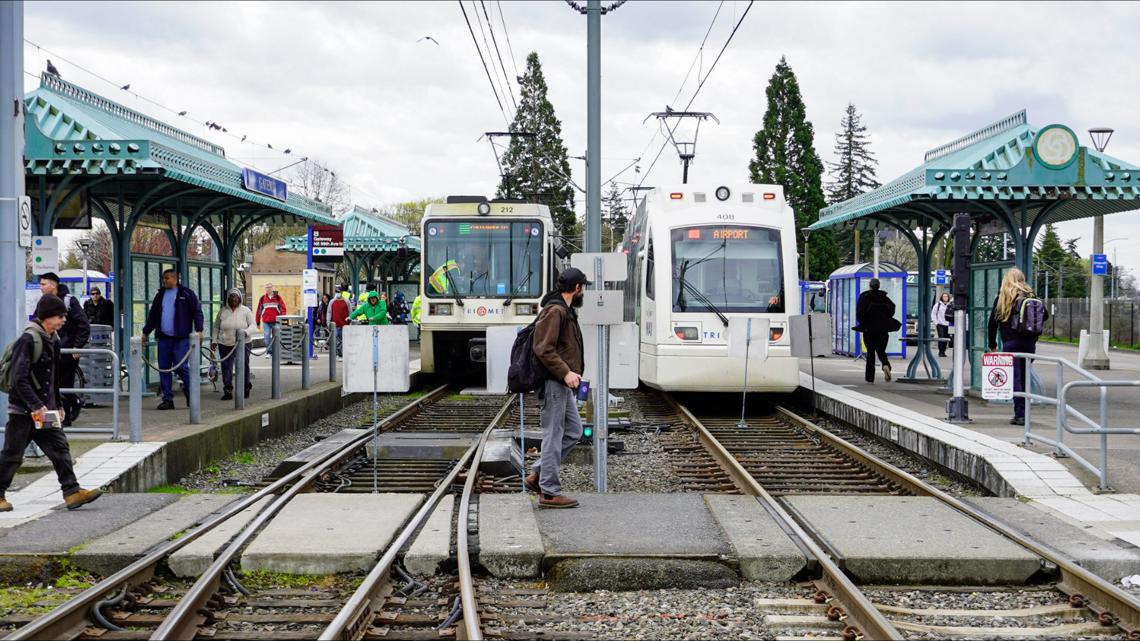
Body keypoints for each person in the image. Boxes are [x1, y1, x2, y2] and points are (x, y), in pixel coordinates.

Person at [0, 295, 103, 512]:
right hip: (23, 410)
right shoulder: (28, 340)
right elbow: (19, 378)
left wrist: (58, 406)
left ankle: (72, 492)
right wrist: (36, 405)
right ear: (46, 317)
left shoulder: (54, 339)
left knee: (60, 448)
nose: (63, 320)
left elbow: (53, 377)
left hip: (45, 411)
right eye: (59, 316)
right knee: (12, 455)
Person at [524, 267, 588, 510]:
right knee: (554, 435)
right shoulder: (555, 311)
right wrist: (566, 372)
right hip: (554, 383)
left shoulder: (565, 310)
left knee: (574, 430)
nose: (584, 293)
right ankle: (549, 492)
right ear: (577, 288)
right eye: (584, 288)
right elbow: (543, 348)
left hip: (562, 384)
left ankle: (538, 473)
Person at [988, 267, 1049, 426]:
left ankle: (1020, 414)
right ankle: (1025, 412)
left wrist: (992, 344)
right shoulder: (1031, 296)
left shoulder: (1003, 298)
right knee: (1024, 376)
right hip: (1030, 342)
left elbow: (992, 323)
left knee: (1015, 378)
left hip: (1010, 342)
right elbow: (1046, 315)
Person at [141, 269, 204, 410]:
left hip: (180, 338)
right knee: (164, 368)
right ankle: (167, 399)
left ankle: (190, 392)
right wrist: (145, 333)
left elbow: (197, 312)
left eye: (167, 278)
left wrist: (199, 329)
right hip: (164, 338)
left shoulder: (186, 294)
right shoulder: (160, 295)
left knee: (181, 366)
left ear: (175, 278)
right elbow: (152, 316)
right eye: (163, 278)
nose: (164, 280)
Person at [39, 272, 90, 426]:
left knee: (65, 383)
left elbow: (83, 324)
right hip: (50, 349)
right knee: (52, 383)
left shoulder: (69, 301)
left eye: (43, 284)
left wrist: (77, 346)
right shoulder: (43, 302)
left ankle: (66, 417)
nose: (41, 287)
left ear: (53, 285)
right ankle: (60, 414)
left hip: (67, 350)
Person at [212, 288, 257, 401]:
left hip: (243, 343)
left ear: (239, 298)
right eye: (231, 296)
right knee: (226, 367)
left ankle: (246, 387)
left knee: (243, 365)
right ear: (228, 298)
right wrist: (214, 340)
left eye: (235, 297)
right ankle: (228, 390)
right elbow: (216, 327)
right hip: (225, 343)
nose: (233, 299)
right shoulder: (223, 311)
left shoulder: (245, 310)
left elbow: (253, 325)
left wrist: (245, 332)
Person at [855, 278, 899, 383]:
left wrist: (864, 321)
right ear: (879, 286)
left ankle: (870, 378)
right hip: (883, 329)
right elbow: (892, 309)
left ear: (870, 286)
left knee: (870, 353)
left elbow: (859, 313)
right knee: (881, 351)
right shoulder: (885, 298)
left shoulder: (864, 297)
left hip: (869, 329)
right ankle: (885, 365)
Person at [256, 284, 286, 356]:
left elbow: (283, 309)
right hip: (266, 322)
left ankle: (275, 352)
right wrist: (258, 322)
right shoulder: (262, 298)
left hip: (276, 322)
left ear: (272, 288)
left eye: (269, 287)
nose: (268, 289)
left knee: (276, 337)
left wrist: (282, 319)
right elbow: (259, 311)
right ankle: (269, 352)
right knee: (266, 338)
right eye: (267, 288)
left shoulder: (278, 298)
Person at [329, 291, 351, 356]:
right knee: (336, 340)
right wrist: (328, 322)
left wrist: (350, 320)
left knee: (342, 340)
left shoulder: (346, 301)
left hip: (344, 325)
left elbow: (350, 312)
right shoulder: (332, 302)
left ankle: (341, 352)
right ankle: (338, 352)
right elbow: (329, 312)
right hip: (335, 325)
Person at [932, 292, 953, 357]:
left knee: (946, 338)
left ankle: (943, 351)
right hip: (940, 324)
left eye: (946, 296)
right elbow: (933, 314)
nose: (945, 298)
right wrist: (936, 322)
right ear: (942, 297)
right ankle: (940, 351)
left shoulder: (950, 305)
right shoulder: (937, 305)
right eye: (944, 296)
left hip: (948, 324)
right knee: (941, 337)